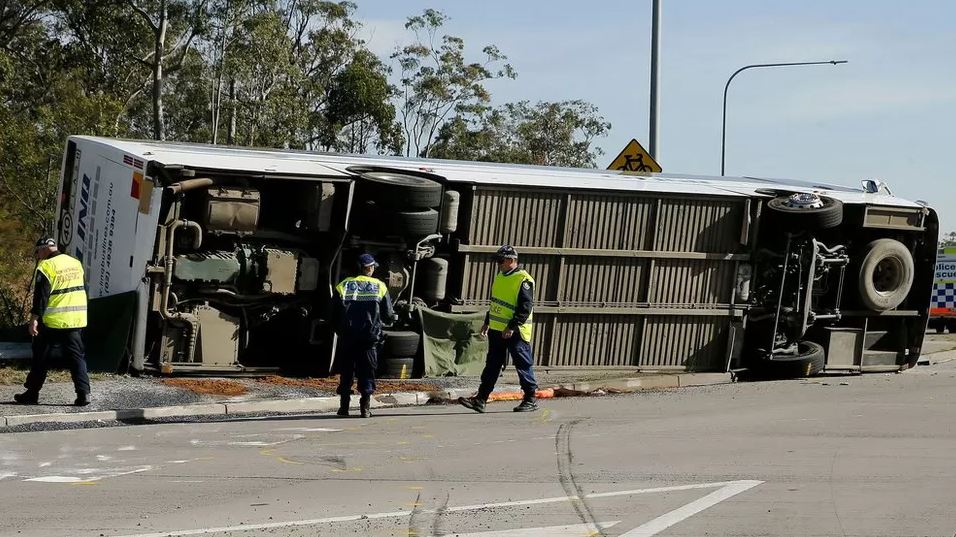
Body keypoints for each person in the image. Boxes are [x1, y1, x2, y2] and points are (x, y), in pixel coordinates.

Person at [459, 244, 539, 413]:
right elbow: (496, 302)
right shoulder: (501, 276)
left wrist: (512, 326)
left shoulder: (523, 279)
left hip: (515, 331)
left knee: (522, 364)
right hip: (496, 329)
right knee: (492, 365)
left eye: (501, 261)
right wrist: (488, 322)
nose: (498, 264)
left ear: (512, 260)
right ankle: (481, 399)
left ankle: (531, 398)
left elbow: (525, 307)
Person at [14, 238, 91, 406]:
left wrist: (34, 319)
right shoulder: (75, 262)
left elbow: (41, 297)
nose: (38, 256)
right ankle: (84, 394)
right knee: (77, 357)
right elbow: (83, 288)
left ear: (44, 250)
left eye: (37, 252)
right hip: (76, 319)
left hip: (53, 321)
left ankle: (32, 393)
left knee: (41, 357)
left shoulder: (46, 267)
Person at [332, 253, 394, 418]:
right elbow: (388, 314)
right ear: (370, 268)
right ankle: (365, 409)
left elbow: (332, 313)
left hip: (347, 338)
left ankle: (344, 408)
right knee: (367, 372)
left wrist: (340, 329)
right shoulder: (379, 286)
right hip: (369, 339)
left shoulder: (343, 285)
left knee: (346, 372)